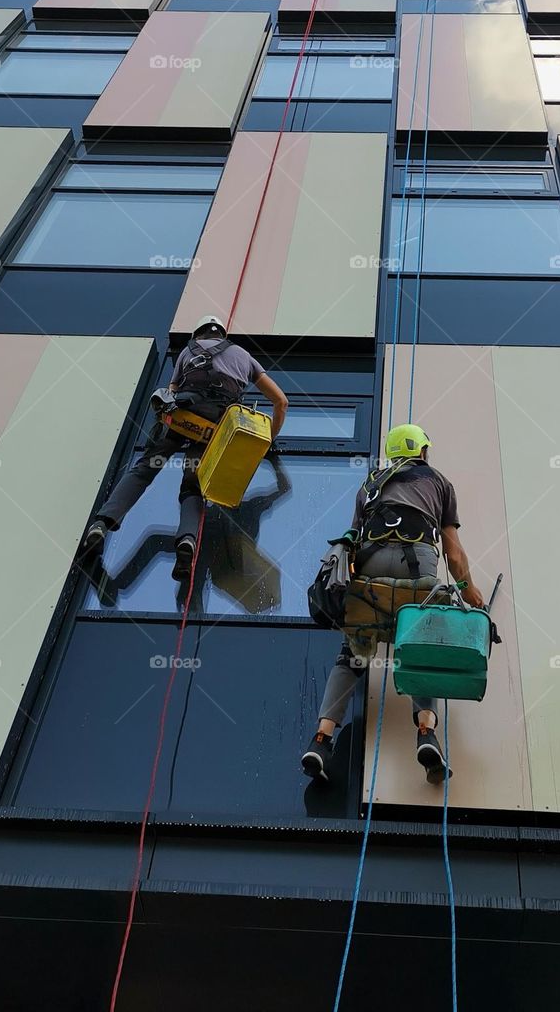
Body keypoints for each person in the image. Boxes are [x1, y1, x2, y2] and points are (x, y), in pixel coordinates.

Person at [301, 423, 483, 786]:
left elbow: (352, 540)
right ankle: (426, 734)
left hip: (370, 570)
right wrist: (469, 589)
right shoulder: (438, 481)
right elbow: (454, 552)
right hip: (417, 566)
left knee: (351, 655)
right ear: (422, 451)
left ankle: (321, 740)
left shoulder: (370, 484)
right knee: (422, 648)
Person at [80, 315, 288, 581]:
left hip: (182, 416)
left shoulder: (186, 353)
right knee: (194, 485)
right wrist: (268, 440)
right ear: (224, 334)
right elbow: (281, 401)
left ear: (197, 334)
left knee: (144, 469)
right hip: (216, 427)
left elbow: (170, 393)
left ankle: (101, 524)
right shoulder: (244, 355)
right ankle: (187, 541)